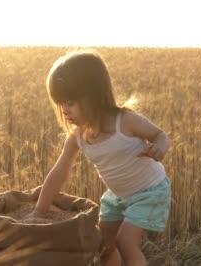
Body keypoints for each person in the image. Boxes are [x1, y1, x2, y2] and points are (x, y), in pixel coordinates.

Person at [29, 49, 171, 266]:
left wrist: (159, 148)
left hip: (149, 191)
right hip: (117, 196)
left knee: (126, 242)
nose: (64, 110)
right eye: (60, 104)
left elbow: (159, 135)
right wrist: (39, 211)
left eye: (70, 102)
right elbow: (59, 172)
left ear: (93, 95)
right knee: (104, 244)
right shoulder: (78, 137)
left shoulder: (125, 121)